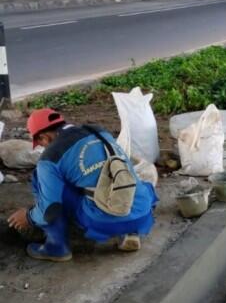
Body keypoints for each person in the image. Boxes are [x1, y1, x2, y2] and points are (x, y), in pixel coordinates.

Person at [7, 109, 158, 262]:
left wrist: (29, 216)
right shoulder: (99, 131)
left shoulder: (49, 159)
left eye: (40, 143)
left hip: (103, 222)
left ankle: (56, 247)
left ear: (44, 136)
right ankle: (131, 232)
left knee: (41, 180)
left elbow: (50, 210)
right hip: (141, 212)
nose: (42, 147)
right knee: (141, 186)